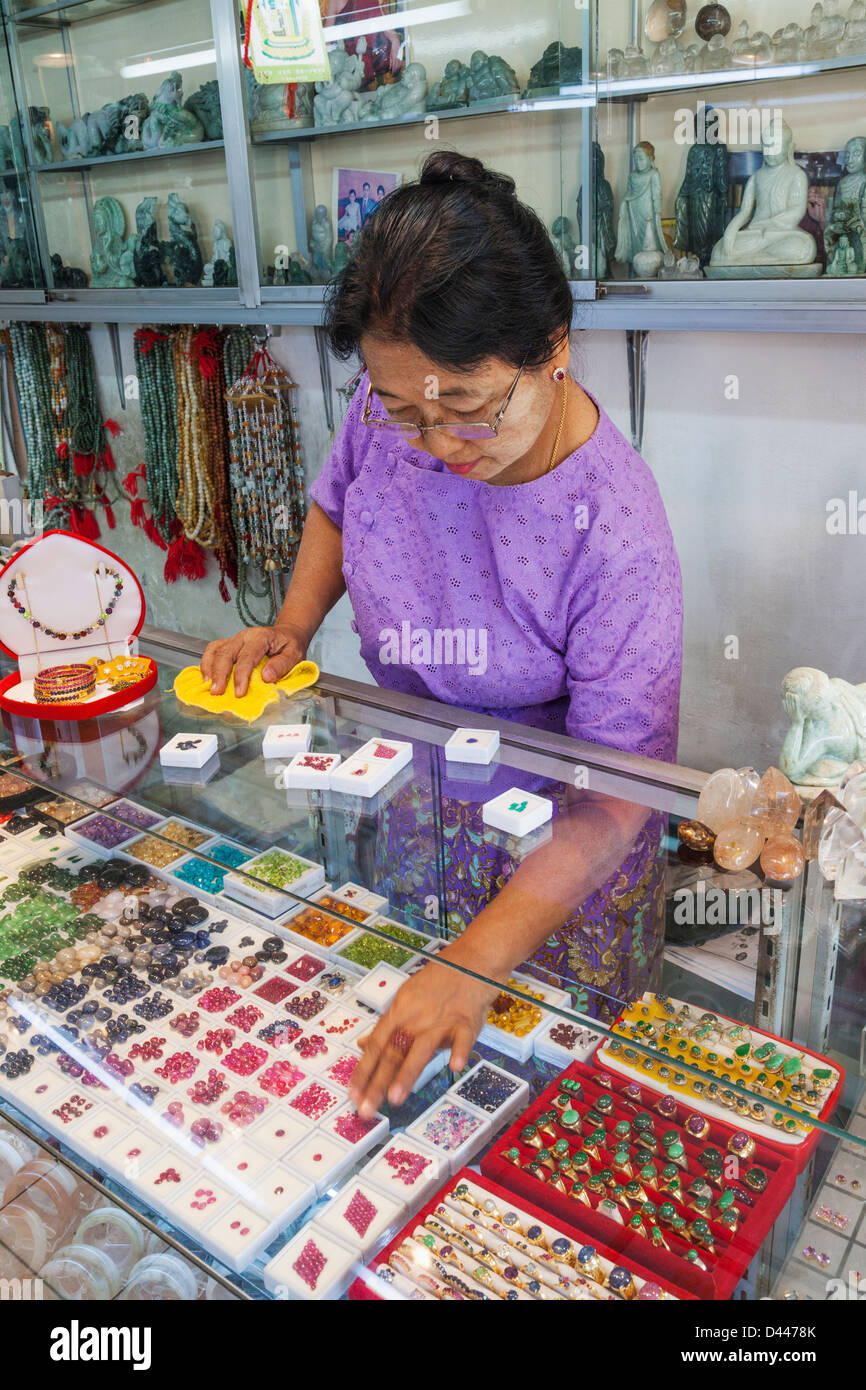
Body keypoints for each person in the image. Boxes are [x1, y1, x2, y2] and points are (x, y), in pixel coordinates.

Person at [201, 150, 683, 1118]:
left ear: (554, 348)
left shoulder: (615, 530)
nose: (433, 443)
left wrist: (475, 960)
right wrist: (291, 627)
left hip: (553, 854)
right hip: (415, 793)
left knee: (534, 1108)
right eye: (405, 412)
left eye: (467, 408)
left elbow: (617, 793)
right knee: (400, 1102)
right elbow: (339, 504)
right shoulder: (399, 407)